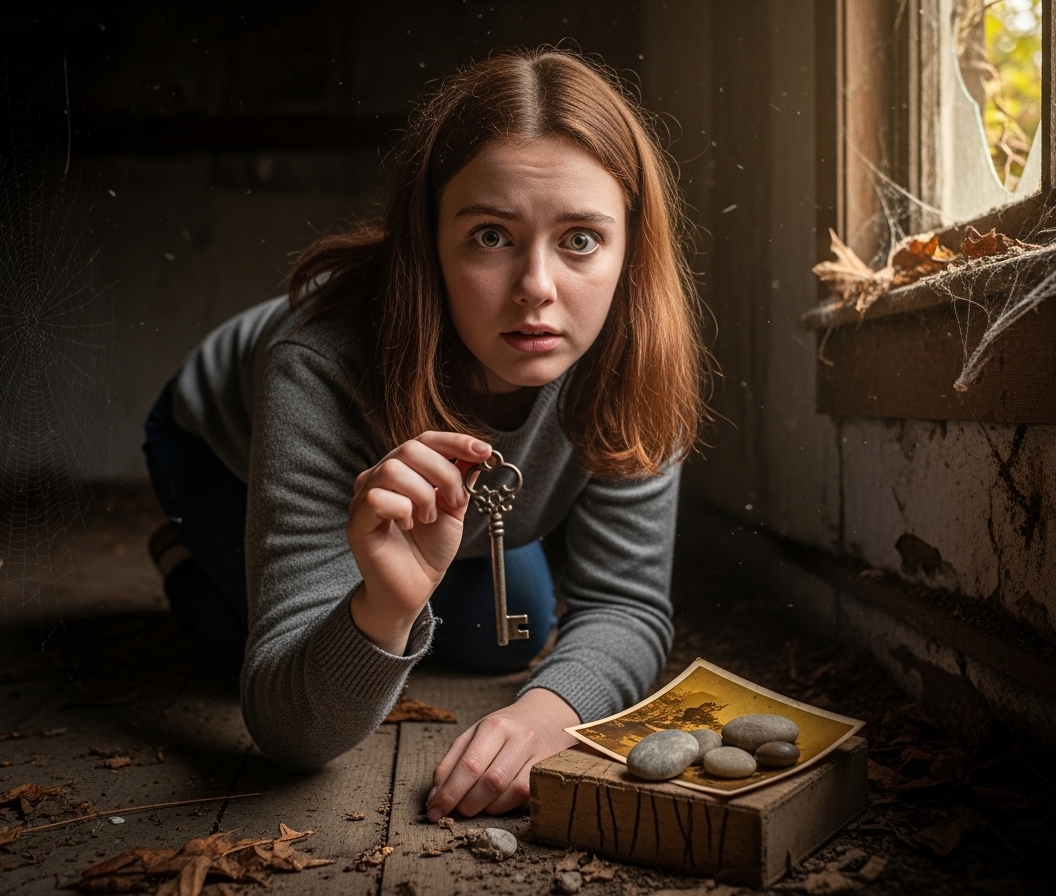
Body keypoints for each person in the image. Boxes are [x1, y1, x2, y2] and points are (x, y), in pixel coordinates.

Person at [142, 47, 709, 821]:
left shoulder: (637, 354)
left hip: (436, 513)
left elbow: (626, 604)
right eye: (489, 237)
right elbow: (288, 727)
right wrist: (380, 605)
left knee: (506, 641)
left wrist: (549, 713)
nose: (538, 289)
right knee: (265, 643)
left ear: (629, 248)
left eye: (581, 239)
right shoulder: (317, 367)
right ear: (428, 239)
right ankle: (191, 557)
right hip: (216, 445)